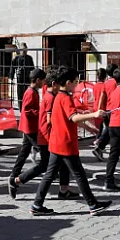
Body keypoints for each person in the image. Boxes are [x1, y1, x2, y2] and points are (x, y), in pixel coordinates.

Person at [30, 66, 111, 216]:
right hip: (65, 143)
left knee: (49, 175)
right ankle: (93, 205)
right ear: (68, 83)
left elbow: (71, 119)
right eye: (75, 82)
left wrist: (89, 126)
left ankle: (37, 204)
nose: (77, 85)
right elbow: (73, 117)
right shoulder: (65, 98)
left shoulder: (59, 97)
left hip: (56, 143)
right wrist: (94, 114)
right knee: (79, 174)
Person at [9, 66, 77, 200]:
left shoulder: (44, 94)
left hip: (40, 132)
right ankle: (18, 180)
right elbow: (37, 114)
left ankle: (63, 190)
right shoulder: (40, 95)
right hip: (41, 133)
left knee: (40, 161)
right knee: (46, 166)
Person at [9, 68, 46, 187]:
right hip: (31, 128)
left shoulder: (32, 91)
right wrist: (40, 111)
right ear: (38, 80)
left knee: (24, 152)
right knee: (45, 151)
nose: (44, 83)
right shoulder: (31, 93)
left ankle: (14, 173)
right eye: (42, 81)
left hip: (28, 127)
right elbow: (27, 110)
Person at [10, 42, 34, 107]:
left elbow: (32, 68)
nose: (24, 51)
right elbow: (12, 68)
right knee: (20, 93)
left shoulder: (29, 58)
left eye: (25, 50)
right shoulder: (16, 58)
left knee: (28, 92)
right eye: (23, 50)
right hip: (20, 78)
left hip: (27, 77)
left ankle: (27, 105)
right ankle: (21, 107)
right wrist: (11, 78)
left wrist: (33, 78)